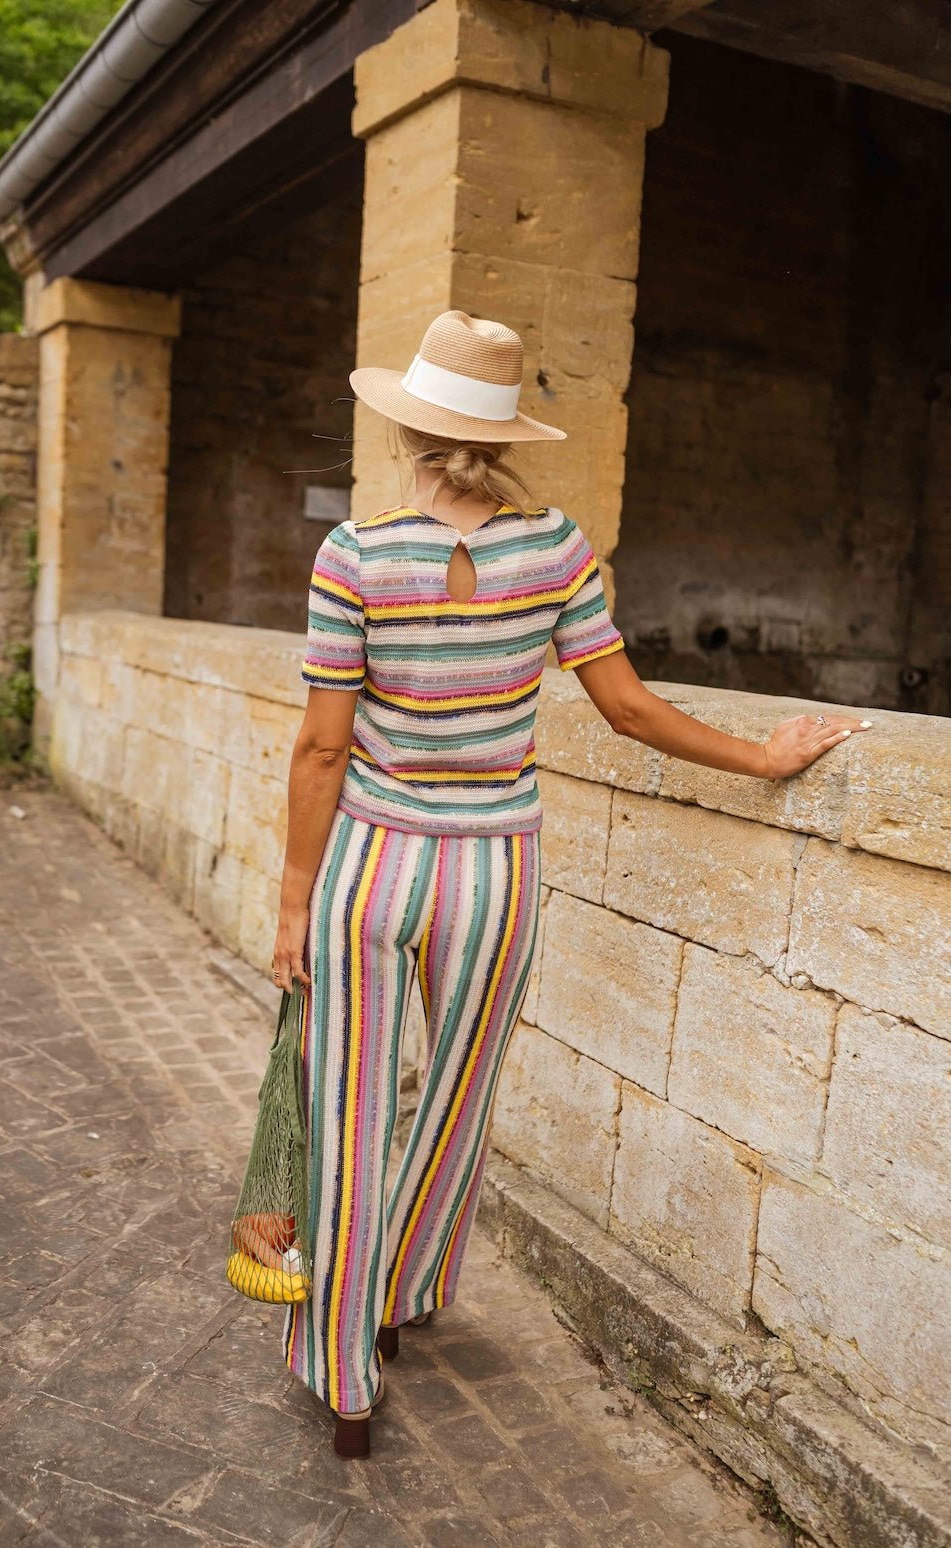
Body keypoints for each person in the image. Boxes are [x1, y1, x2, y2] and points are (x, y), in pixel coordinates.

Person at [270, 310, 871, 1458]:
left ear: (406, 429)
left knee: (348, 1108)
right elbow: (629, 708)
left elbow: (320, 747)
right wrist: (763, 759)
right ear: (505, 438)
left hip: (371, 864)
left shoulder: (354, 554)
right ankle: (398, 1296)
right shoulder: (557, 550)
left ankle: (344, 1378)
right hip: (494, 867)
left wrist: (296, 896)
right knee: (456, 1096)